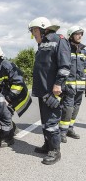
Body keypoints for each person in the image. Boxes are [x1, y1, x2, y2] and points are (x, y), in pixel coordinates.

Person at [28, 17, 71, 165]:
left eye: (34, 31)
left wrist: (58, 84)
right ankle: (48, 144)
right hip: (43, 91)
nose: (33, 35)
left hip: (53, 90)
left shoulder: (59, 40)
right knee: (45, 121)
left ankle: (55, 150)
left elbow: (65, 66)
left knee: (52, 121)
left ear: (42, 28)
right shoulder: (43, 44)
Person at [0, 42, 32, 146]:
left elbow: (18, 83)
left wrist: (8, 99)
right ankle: (13, 129)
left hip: (18, 95)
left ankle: (8, 138)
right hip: (9, 95)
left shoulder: (7, 66)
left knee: (5, 112)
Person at [60, 26, 86, 143]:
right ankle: (62, 132)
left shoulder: (84, 50)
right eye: (77, 34)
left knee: (76, 108)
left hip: (80, 86)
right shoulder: (66, 48)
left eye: (81, 34)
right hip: (68, 85)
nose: (80, 36)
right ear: (71, 35)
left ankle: (70, 129)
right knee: (68, 108)